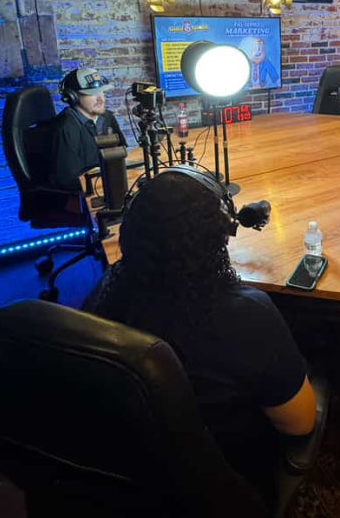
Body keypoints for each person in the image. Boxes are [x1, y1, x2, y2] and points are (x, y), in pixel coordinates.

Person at [84, 167, 317, 506]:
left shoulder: (102, 296)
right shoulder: (247, 314)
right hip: (226, 488)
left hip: (129, 480)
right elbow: (300, 424)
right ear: (220, 237)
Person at [44, 67, 113, 191]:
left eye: (102, 92)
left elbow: (120, 154)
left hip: (108, 184)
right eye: (92, 93)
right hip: (81, 195)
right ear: (73, 97)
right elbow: (66, 179)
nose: (100, 98)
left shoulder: (107, 117)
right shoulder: (65, 127)